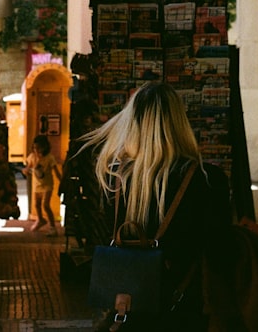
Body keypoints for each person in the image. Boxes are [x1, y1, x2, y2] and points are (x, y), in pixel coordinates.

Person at [77, 81, 233, 331]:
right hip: (184, 310)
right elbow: (220, 250)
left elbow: (106, 236)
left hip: (128, 312)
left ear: (132, 123)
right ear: (179, 123)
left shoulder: (114, 177)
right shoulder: (207, 179)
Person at [24, 134, 62, 235]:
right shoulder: (32, 157)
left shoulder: (49, 158)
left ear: (44, 147)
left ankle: (52, 227)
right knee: (36, 204)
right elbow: (28, 167)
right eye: (35, 148)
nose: (36, 150)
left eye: (39, 148)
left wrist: (62, 181)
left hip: (47, 185)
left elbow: (56, 171)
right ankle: (40, 219)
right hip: (37, 186)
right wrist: (26, 170)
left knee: (45, 205)